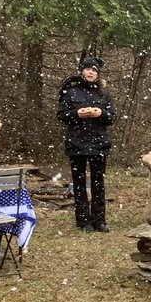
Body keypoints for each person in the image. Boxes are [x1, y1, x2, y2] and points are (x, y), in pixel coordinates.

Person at [57, 55, 117, 232]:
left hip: (99, 144)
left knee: (98, 183)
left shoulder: (104, 93)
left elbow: (112, 117)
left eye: (94, 70)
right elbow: (61, 115)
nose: (90, 72)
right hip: (76, 143)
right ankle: (83, 221)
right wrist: (77, 114)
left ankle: (99, 220)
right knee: (79, 183)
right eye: (88, 69)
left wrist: (101, 113)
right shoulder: (71, 92)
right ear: (82, 71)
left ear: (98, 74)